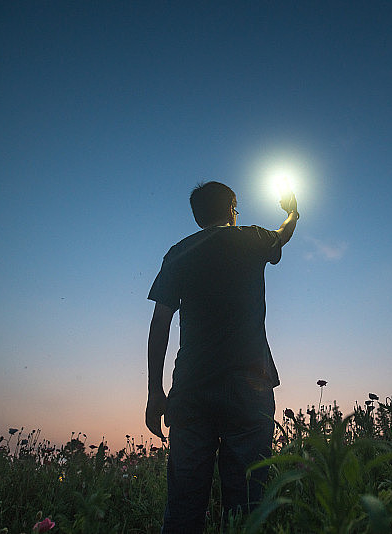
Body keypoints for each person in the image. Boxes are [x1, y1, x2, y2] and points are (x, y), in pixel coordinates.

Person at [146, 181, 299, 532]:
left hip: (192, 388)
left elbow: (160, 320)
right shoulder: (252, 238)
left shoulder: (179, 252)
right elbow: (283, 234)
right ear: (232, 207)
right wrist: (293, 211)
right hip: (249, 386)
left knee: (184, 506)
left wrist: (156, 391)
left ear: (198, 216)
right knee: (248, 505)